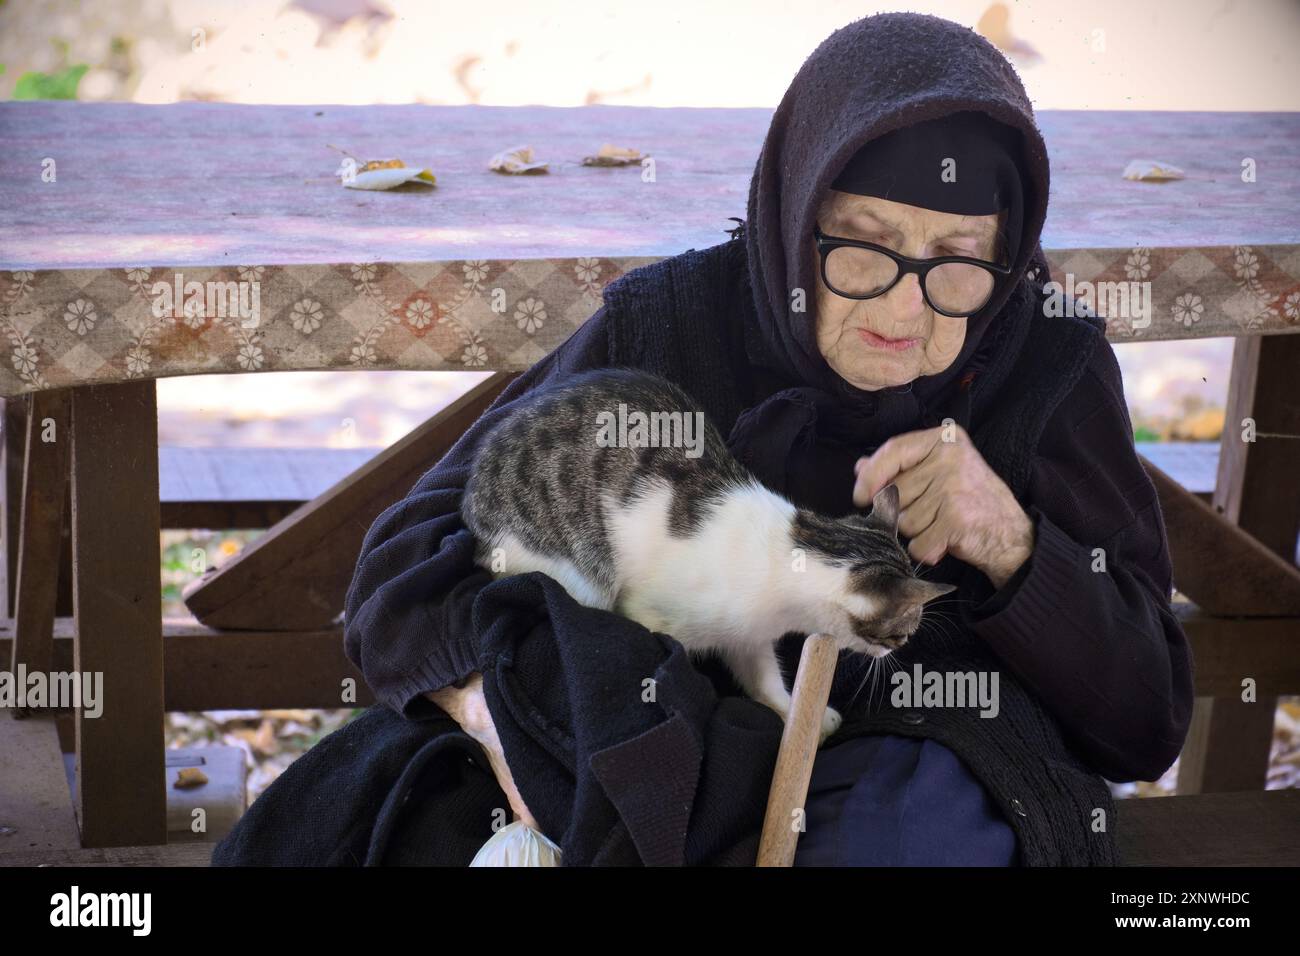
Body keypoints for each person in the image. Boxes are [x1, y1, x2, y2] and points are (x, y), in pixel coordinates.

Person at [341, 11, 1193, 866]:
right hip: (661, 741)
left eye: (960, 256)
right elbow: (403, 568)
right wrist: (498, 716)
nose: (907, 306)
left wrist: (1015, 546)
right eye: (865, 246)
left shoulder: (1044, 364)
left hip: (935, 758)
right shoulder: (674, 327)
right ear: (796, 215)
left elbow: (1144, 724)